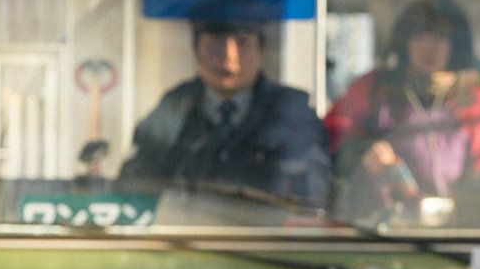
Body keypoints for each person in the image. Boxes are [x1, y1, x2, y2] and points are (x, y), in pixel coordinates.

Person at [324, 0, 480, 212]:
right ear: (404, 42)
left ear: (455, 46)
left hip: (456, 234)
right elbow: (329, 136)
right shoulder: (373, 90)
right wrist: (359, 150)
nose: (429, 47)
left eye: (441, 37)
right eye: (420, 36)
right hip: (379, 230)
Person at [118, 13, 329, 206]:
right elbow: (133, 188)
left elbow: (314, 196)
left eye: (242, 42)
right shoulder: (173, 108)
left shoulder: (292, 113)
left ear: (261, 51)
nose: (229, 57)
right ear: (196, 51)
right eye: (215, 44)